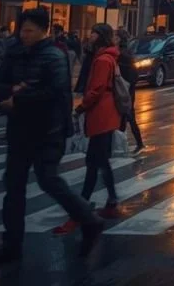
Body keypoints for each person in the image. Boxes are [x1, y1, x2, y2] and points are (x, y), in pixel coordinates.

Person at [0, 7, 102, 268]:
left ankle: (89, 220)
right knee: (13, 186)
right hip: (19, 128)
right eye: (22, 29)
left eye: (30, 30)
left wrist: (19, 95)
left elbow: (55, 92)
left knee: (49, 180)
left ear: (43, 31)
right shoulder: (14, 53)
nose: (25, 35)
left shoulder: (54, 56)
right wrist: (12, 92)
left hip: (48, 129)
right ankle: (11, 244)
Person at [55, 24, 123, 233]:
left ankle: (81, 210)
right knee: (99, 161)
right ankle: (110, 202)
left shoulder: (103, 60)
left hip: (101, 113)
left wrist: (82, 107)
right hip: (106, 113)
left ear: (100, 37)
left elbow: (97, 89)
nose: (90, 36)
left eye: (93, 33)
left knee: (94, 162)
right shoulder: (108, 57)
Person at [114, 30, 144, 152]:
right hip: (125, 89)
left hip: (125, 90)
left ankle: (138, 142)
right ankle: (121, 144)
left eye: (115, 37)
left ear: (120, 39)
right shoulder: (122, 53)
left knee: (128, 116)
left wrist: (124, 84)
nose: (113, 39)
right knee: (124, 116)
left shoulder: (123, 55)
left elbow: (132, 75)